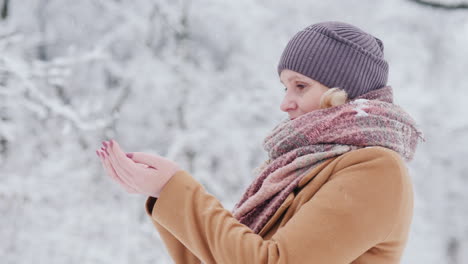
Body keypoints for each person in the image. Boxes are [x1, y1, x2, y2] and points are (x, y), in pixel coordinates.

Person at [96, 21, 425, 264]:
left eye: (300, 86)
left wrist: (176, 189)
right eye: (285, 87)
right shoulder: (300, 168)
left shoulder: (377, 171)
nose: (285, 103)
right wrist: (161, 192)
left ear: (342, 92)